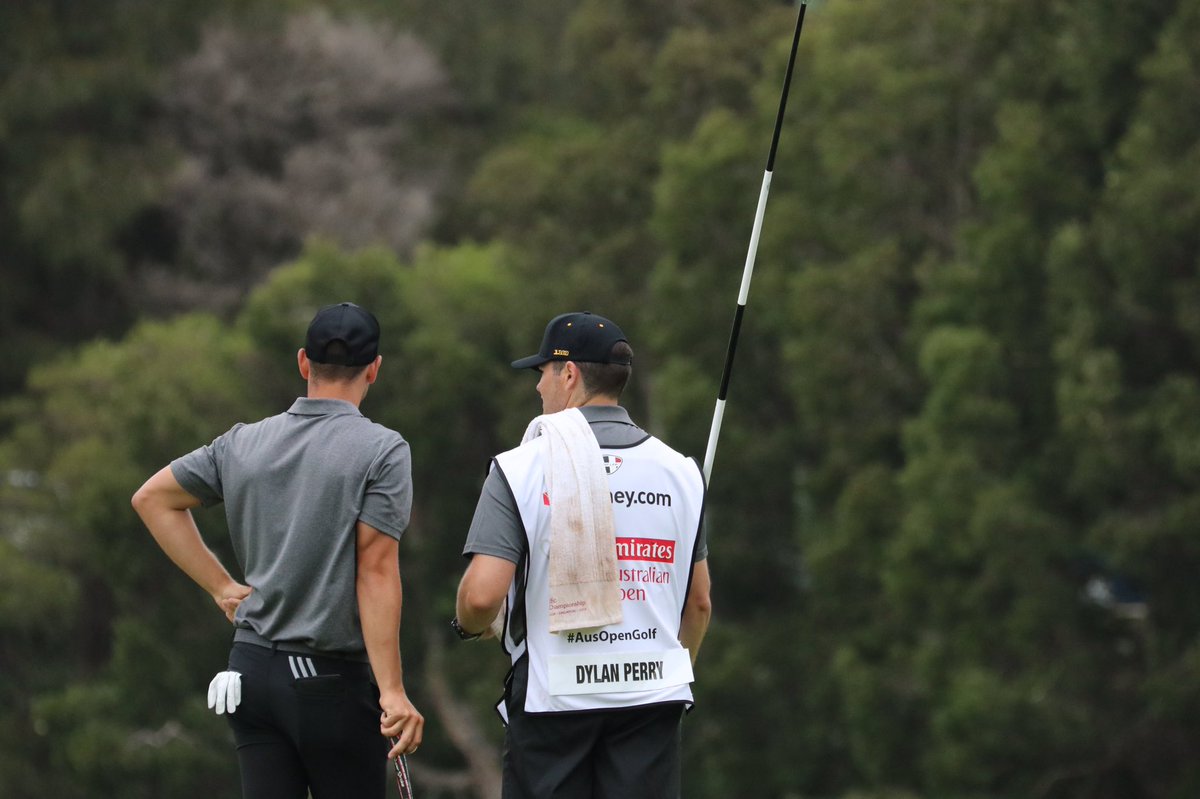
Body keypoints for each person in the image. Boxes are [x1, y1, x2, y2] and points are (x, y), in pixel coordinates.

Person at [132, 302, 423, 799]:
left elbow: (152, 498)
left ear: (303, 363)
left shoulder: (241, 442)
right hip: (327, 681)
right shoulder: (382, 450)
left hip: (250, 673)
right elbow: (375, 572)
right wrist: (392, 691)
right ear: (374, 368)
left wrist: (222, 587)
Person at [454, 311, 712, 799]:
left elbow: (484, 595)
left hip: (555, 698)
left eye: (543, 374)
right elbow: (698, 603)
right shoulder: (682, 472)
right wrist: (673, 676)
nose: (539, 390)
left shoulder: (520, 466)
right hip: (650, 697)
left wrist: (466, 624)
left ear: (568, 375)